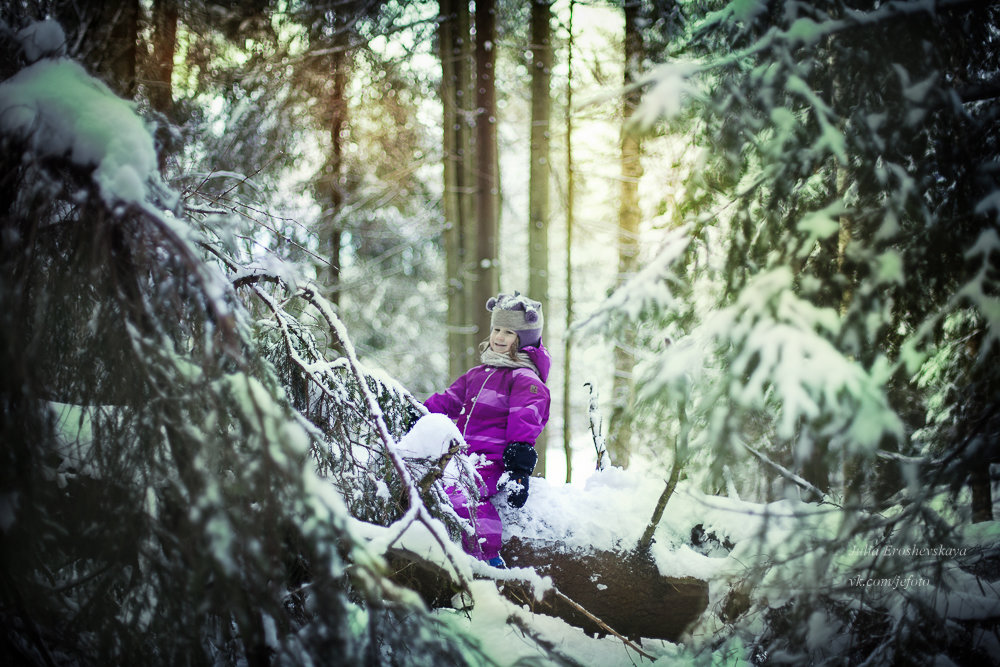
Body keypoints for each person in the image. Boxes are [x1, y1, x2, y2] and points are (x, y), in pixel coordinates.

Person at [425, 292, 551, 568]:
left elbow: (526, 419)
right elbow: (448, 400)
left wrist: (518, 468)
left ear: (525, 338)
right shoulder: (478, 373)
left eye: (509, 332)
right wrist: (417, 412)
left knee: (461, 492)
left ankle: (487, 558)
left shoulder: (525, 379)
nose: (500, 337)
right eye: (497, 329)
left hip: (491, 459)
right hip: (460, 455)